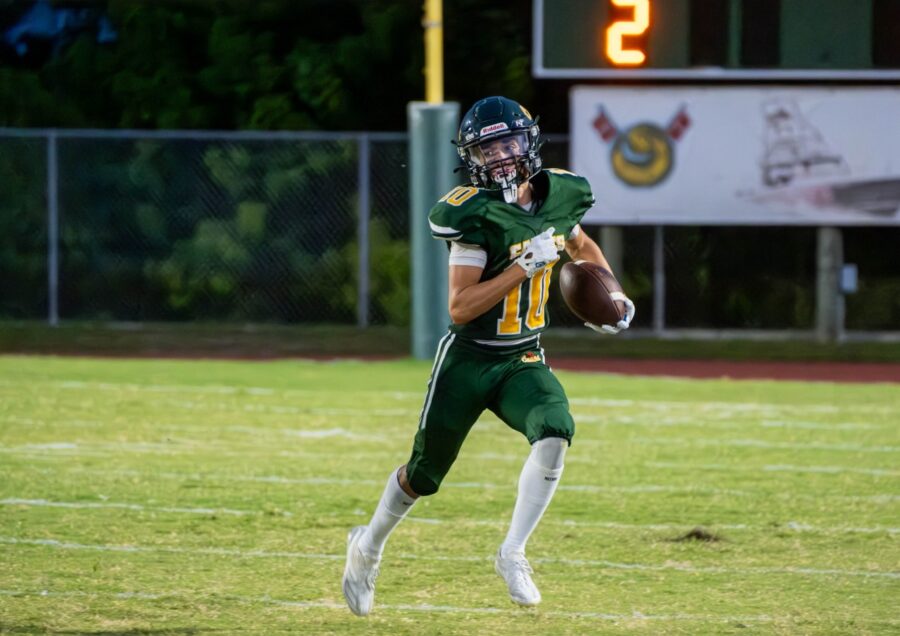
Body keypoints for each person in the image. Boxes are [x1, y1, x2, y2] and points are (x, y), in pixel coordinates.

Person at [342, 96, 634, 615]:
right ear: (471, 157)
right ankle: (367, 547)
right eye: (488, 148)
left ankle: (513, 552)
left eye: (508, 143)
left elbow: (580, 244)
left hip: (522, 357)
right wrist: (522, 267)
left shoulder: (560, 194)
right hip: (469, 359)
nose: (500, 156)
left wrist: (613, 292)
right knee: (424, 475)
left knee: (554, 429)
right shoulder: (474, 215)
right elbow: (459, 307)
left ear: (529, 143)